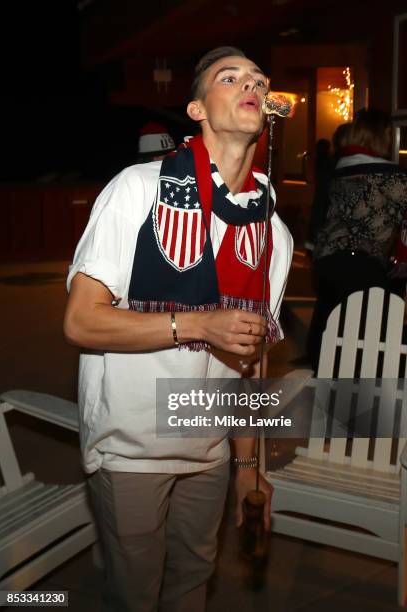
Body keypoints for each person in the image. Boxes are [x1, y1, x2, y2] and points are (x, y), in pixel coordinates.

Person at [64, 46, 293, 612]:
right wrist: (198, 323)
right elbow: (81, 319)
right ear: (196, 108)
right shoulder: (137, 189)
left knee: (195, 580)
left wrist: (246, 468)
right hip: (133, 446)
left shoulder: (273, 233)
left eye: (260, 81)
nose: (252, 87)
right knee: (134, 595)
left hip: (210, 446)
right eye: (230, 77)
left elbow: (252, 362)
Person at [307, 108, 407, 369]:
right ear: (381, 137)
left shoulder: (339, 170)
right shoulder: (391, 176)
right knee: (366, 338)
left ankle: (325, 389)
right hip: (363, 265)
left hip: (328, 260)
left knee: (333, 332)